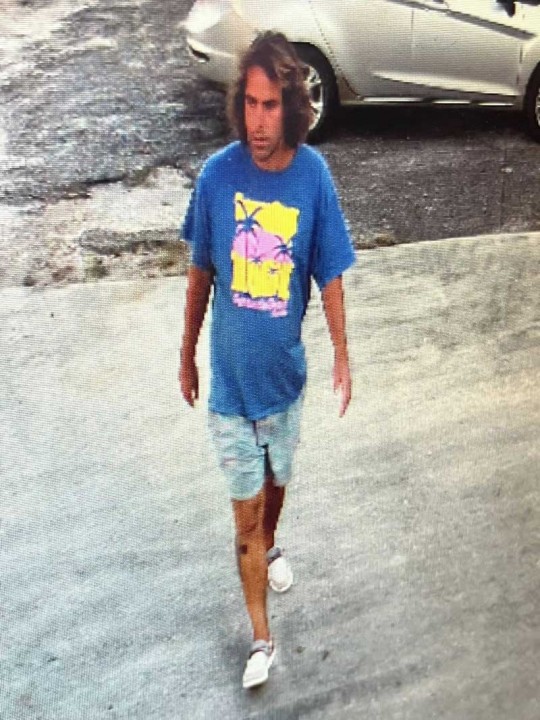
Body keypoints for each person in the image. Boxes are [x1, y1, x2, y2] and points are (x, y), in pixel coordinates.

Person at [179, 31, 355, 689]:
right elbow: (200, 272)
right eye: (249, 104)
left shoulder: (313, 178)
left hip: (284, 384)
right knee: (245, 516)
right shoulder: (217, 177)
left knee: (276, 487)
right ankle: (262, 638)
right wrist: (186, 356)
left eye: (270, 105)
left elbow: (330, 274)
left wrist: (342, 357)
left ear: (292, 107)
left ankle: (273, 542)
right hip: (230, 390)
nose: (258, 121)